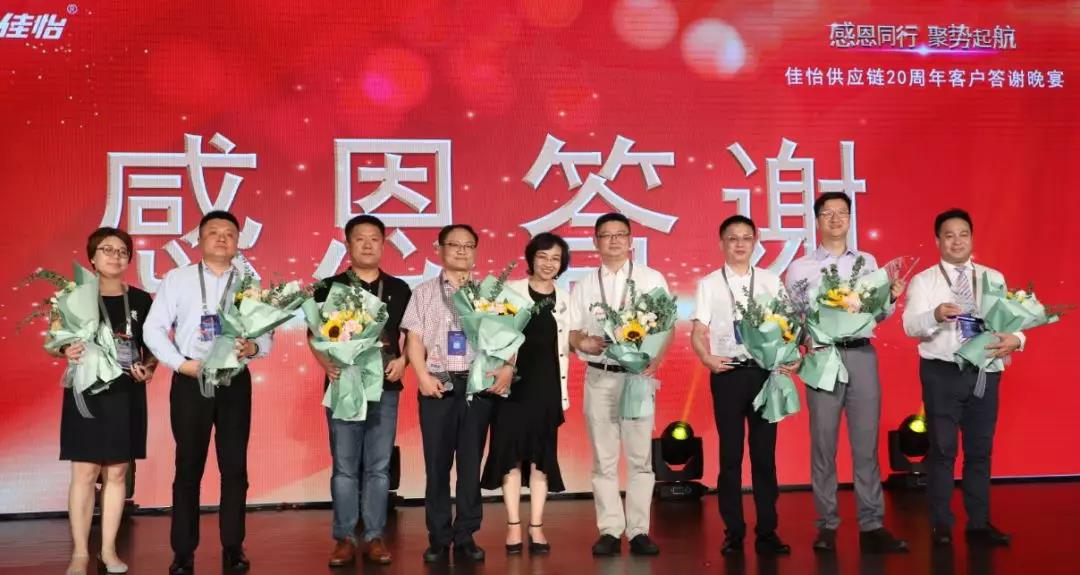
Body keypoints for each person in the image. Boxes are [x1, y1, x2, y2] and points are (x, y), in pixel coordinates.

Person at [144, 211, 273, 575]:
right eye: (213, 232)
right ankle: (183, 551)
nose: (221, 238)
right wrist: (179, 364)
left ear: (238, 242)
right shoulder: (179, 278)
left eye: (229, 233)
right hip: (192, 379)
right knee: (188, 466)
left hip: (234, 380)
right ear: (199, 240)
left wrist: (254, 348)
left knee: (235, 467)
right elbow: (153, 329)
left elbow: (266, 332)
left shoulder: (249, 281)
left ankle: (233, 546)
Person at [784, 192, 909, 554]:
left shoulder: (868, 263)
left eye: (842, 213)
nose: (836, 219)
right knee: (823, 445)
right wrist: (805, 345)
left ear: (850, 219)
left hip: (861, 355)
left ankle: (872, 523)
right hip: (823, 357)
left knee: (866, 445)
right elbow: (792, 317)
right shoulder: (800, 268)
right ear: (817, 221)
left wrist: (891, 297)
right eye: (828, 213)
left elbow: (876, 314)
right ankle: (826, 524)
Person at [902, 209, 1022, 547]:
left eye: (963, 234)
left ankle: (979, 523)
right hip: (942, 373)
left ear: (971, 238)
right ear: (938, 240)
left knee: (980, 451)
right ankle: (941, 524)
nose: (957, 241)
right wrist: (935, 315)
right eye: (949, 235)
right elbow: (910, 325)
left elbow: (1012, 322)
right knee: (942, 450)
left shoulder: (992, 277)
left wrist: (1018, 340)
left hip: (984, 371)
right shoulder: (924, 281)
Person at [690, 215, 796, 556]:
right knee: (730, 457)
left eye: (746, 238)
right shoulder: (709, 283)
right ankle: (733, 532)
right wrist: (707, 357)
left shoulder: (770, 281)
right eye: (732, 238)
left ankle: (767, 531)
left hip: (764, 373)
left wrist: (790, 356)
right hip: (728, 374)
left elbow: (788, 325)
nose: (739, 244)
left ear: (755, 242)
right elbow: (698, 331)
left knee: (764, 456)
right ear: (722, 243)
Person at [309, 215, 411, 566]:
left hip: (386, 386)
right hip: (344, 385)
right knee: (345, 467)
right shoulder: (329, 287)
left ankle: (375, 536)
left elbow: (412, 336)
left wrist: (404, 361)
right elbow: (314, 335)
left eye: (374, 239)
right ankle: (344, 538)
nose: (368, 245)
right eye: (360, 239)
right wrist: (325, 363)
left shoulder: (399, 288)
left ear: (383, 244)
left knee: (379, 468)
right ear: (348, 244)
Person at [52, 227, 155, 575]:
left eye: (122, 251)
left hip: (126, 393)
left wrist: (149, 368)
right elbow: (55, 341)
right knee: (84, 472)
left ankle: (109, 551)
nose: (116, 256)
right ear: (92, 258)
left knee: (117, 472)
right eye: (107, 250)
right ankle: (81, 553)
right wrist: (65, 350)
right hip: (87, 391)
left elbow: (152, 348)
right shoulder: (72, 297)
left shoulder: (141, 300)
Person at [568, 212, 671, 557]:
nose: (613, 240)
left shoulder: (650, 278)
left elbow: (667, 325)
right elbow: (572, 331)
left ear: (630, 240)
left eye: (620, 234)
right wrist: (581, 342)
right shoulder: (584, 284)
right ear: (595, 242)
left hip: (637, 378)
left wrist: (655, 360)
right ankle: (610, 529)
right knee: (604, 458)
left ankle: (639, 530)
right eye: (606, 235)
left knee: (641, 458)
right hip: (599, 376)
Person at [402, 224, 501, 564]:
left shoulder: (489, 293)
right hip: (438, 385)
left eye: (468, 245)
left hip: (476, 387)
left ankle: (466, 535)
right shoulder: (424, 292)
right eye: (454, 244)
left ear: (475, 251)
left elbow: (506, 336)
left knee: (470, 466)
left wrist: (505, 369)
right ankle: (438, 537)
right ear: (440, 249)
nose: (461, 250)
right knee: (437, 466)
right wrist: (422, 376)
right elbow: (413, 339)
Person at [481, 232, 572, 555]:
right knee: (510, 458)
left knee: (541, 460)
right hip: (513, 385)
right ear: (531, 258)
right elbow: (492, 337)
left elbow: (569, 340)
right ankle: (513, 526)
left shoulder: (565, 297)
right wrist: (507, 364)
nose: (549, 263)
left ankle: (536, 526)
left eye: (556, 258)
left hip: (547, 387)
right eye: (543, 256)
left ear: (562, 264)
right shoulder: (509, 292)